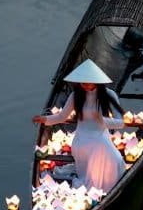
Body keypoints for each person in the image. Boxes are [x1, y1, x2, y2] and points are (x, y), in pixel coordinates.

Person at [32, 59, 126, 192]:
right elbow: (61, 117)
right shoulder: (76, 96)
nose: (85, 85)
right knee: (98, 149)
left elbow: (121, 123)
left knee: (114, 158)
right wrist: (45, 119)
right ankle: (94, 188)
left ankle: (107, 188)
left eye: (89, 82)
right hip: (82, 139)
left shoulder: (109, 95)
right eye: (83, 82)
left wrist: (103, 121)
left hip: (100, 137)